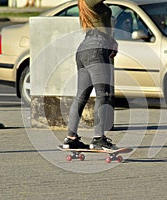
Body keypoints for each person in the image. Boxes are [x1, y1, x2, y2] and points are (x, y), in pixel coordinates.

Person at [63, 0, 118, 150]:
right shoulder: (89, 1)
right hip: (96, 50)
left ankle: (71, 138)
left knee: (81, 96)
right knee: (103, 95)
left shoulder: (90, 4)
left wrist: (112, 41)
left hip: (86, 49)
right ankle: (98, 138)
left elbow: (101, 26)